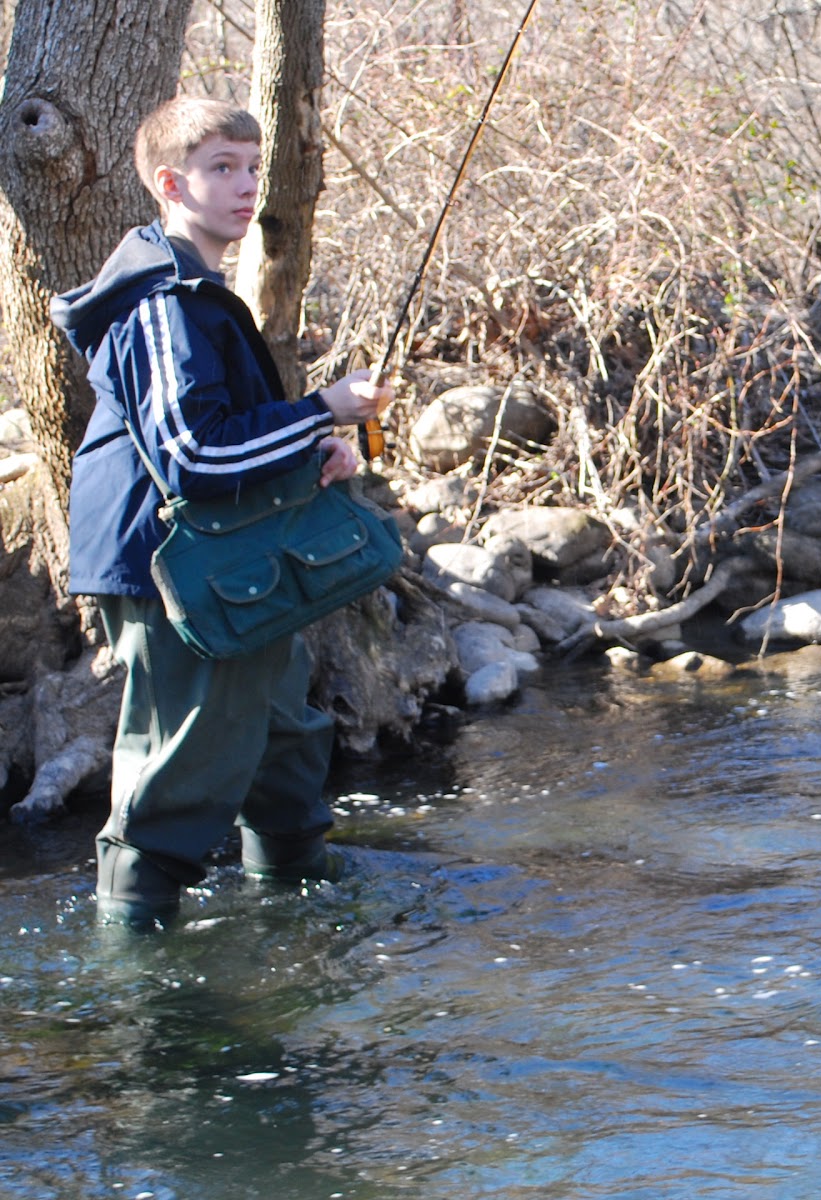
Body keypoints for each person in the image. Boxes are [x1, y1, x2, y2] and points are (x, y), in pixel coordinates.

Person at [49, 96, 391, 929]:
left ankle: (298, 896)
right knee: (177, 768)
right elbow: (192, 457)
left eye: (250, 167)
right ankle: (136, 972)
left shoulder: (196, 292)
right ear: (171, 183)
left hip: (226, 565)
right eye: (222, 169)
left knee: (286, 741)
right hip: (167, 572)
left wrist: (318, 455)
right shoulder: (158, 303)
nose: (246, 187)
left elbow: (229, 441)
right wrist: (320, 410)